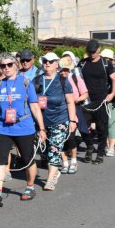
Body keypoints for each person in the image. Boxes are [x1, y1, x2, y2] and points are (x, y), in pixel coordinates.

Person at [0, 52, 46, 205]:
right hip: (2, 127)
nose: (6, 68)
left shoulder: (26, 83)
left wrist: (41, 129)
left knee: (27, 160)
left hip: (24, 127)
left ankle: (30, 187)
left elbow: (35, 107)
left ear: (16, 65)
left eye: (9, 64)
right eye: (3, 65)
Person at [34, 52, 78, 190]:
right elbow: (32, 102)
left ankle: (50, 180)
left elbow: (70, 102)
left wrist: (72, 120)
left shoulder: (63, 80)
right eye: (45, 61)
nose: (47, 63)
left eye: (51, 61)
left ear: (57, 64)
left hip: (60, 119)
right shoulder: (36, 80)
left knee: (54, 149)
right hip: (41, 121)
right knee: (46, 150)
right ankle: (55, 171)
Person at [78, 40, 115, 165]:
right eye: (89, 52)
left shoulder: (106, 63)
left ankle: (100, 153)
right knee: (82, 126)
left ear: (99, 50)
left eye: (94, 51)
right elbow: (75, 78)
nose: (92, 54)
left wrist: (111, 94)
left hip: (102, 100)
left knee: (102, 128)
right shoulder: (83, 63)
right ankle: (90, 146)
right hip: (87, 101)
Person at [58, 56, 89, 174]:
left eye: (66, 69)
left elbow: (85, 94)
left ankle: (74, 161)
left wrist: (75, 100)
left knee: (71, 138)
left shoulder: (75, 78)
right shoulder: (56, 80)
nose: (63, 72)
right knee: (60, 139)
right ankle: (65, 162)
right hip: (59, 112)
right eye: (62, 69)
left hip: (74, 110)